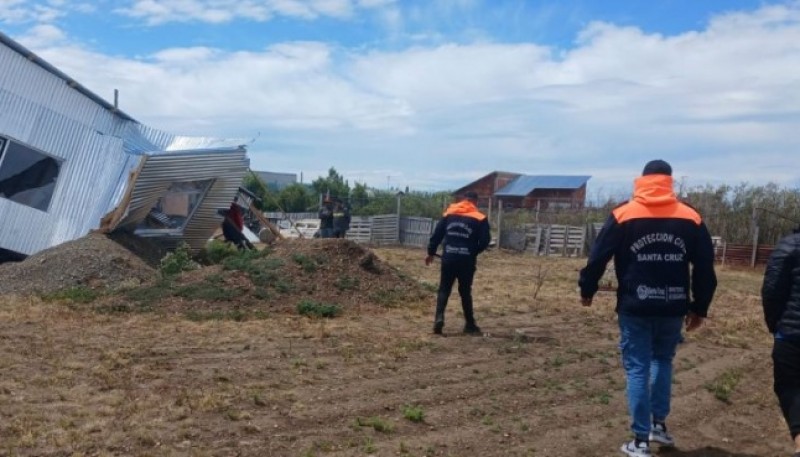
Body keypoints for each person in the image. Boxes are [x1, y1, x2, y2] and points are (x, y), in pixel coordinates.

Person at [578, 160, 717, 457]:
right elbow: (704, 267)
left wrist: (587, 289)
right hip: (674, 305)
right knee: (662, 361)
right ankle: (658, 426)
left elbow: (597, 257)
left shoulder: (624, 214)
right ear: (669, 181)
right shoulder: (690, 218)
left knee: (638, 367)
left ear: (642, 180)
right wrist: (699, 307)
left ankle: (640, 440)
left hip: (635, 305)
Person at [425, 191, 491, 335]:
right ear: (475, 202)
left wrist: (431, 252)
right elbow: (485, 241)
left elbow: (437, 235)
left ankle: (439, 318)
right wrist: (473, 251)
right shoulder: (480, 218)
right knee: (465, 291)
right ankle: (470, 324)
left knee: (444, 289)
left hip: (448, 257)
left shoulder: (449, 214)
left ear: (463, 200)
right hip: (466, 260)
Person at [762, 224, 800, 457]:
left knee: (790, 387)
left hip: (792, 334)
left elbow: (772, 289)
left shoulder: (789, 245)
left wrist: (775, 324)